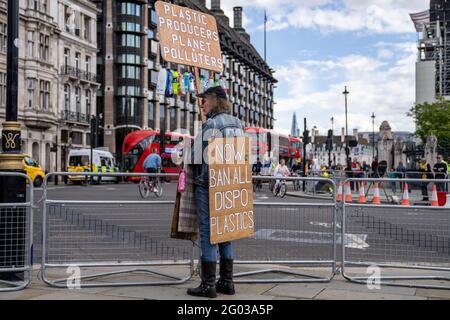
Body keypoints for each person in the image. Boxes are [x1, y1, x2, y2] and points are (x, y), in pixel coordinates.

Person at [188, 86, 244, 298]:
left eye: (206, 99)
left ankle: (208, 285)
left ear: (215, 100)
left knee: (209, 232)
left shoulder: (211, 124)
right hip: (231, 184)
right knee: (226, 231)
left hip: (208, 183)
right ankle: (227, 282)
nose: (203, 104)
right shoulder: (238, 124)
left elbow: (194, 156)